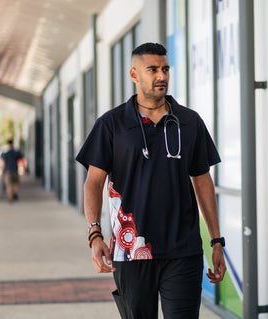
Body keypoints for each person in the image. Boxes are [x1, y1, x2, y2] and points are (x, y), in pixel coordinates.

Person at [76, 42, 226, 319]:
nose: (162, 76)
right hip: (131, 251)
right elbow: (93, 183)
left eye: (165, 69)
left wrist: (217, 240)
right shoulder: (111, 124)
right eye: (153, 69)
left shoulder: (189, 121)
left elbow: (203, 182)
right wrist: (94, 234)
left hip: (184, 250)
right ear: (134, 75)